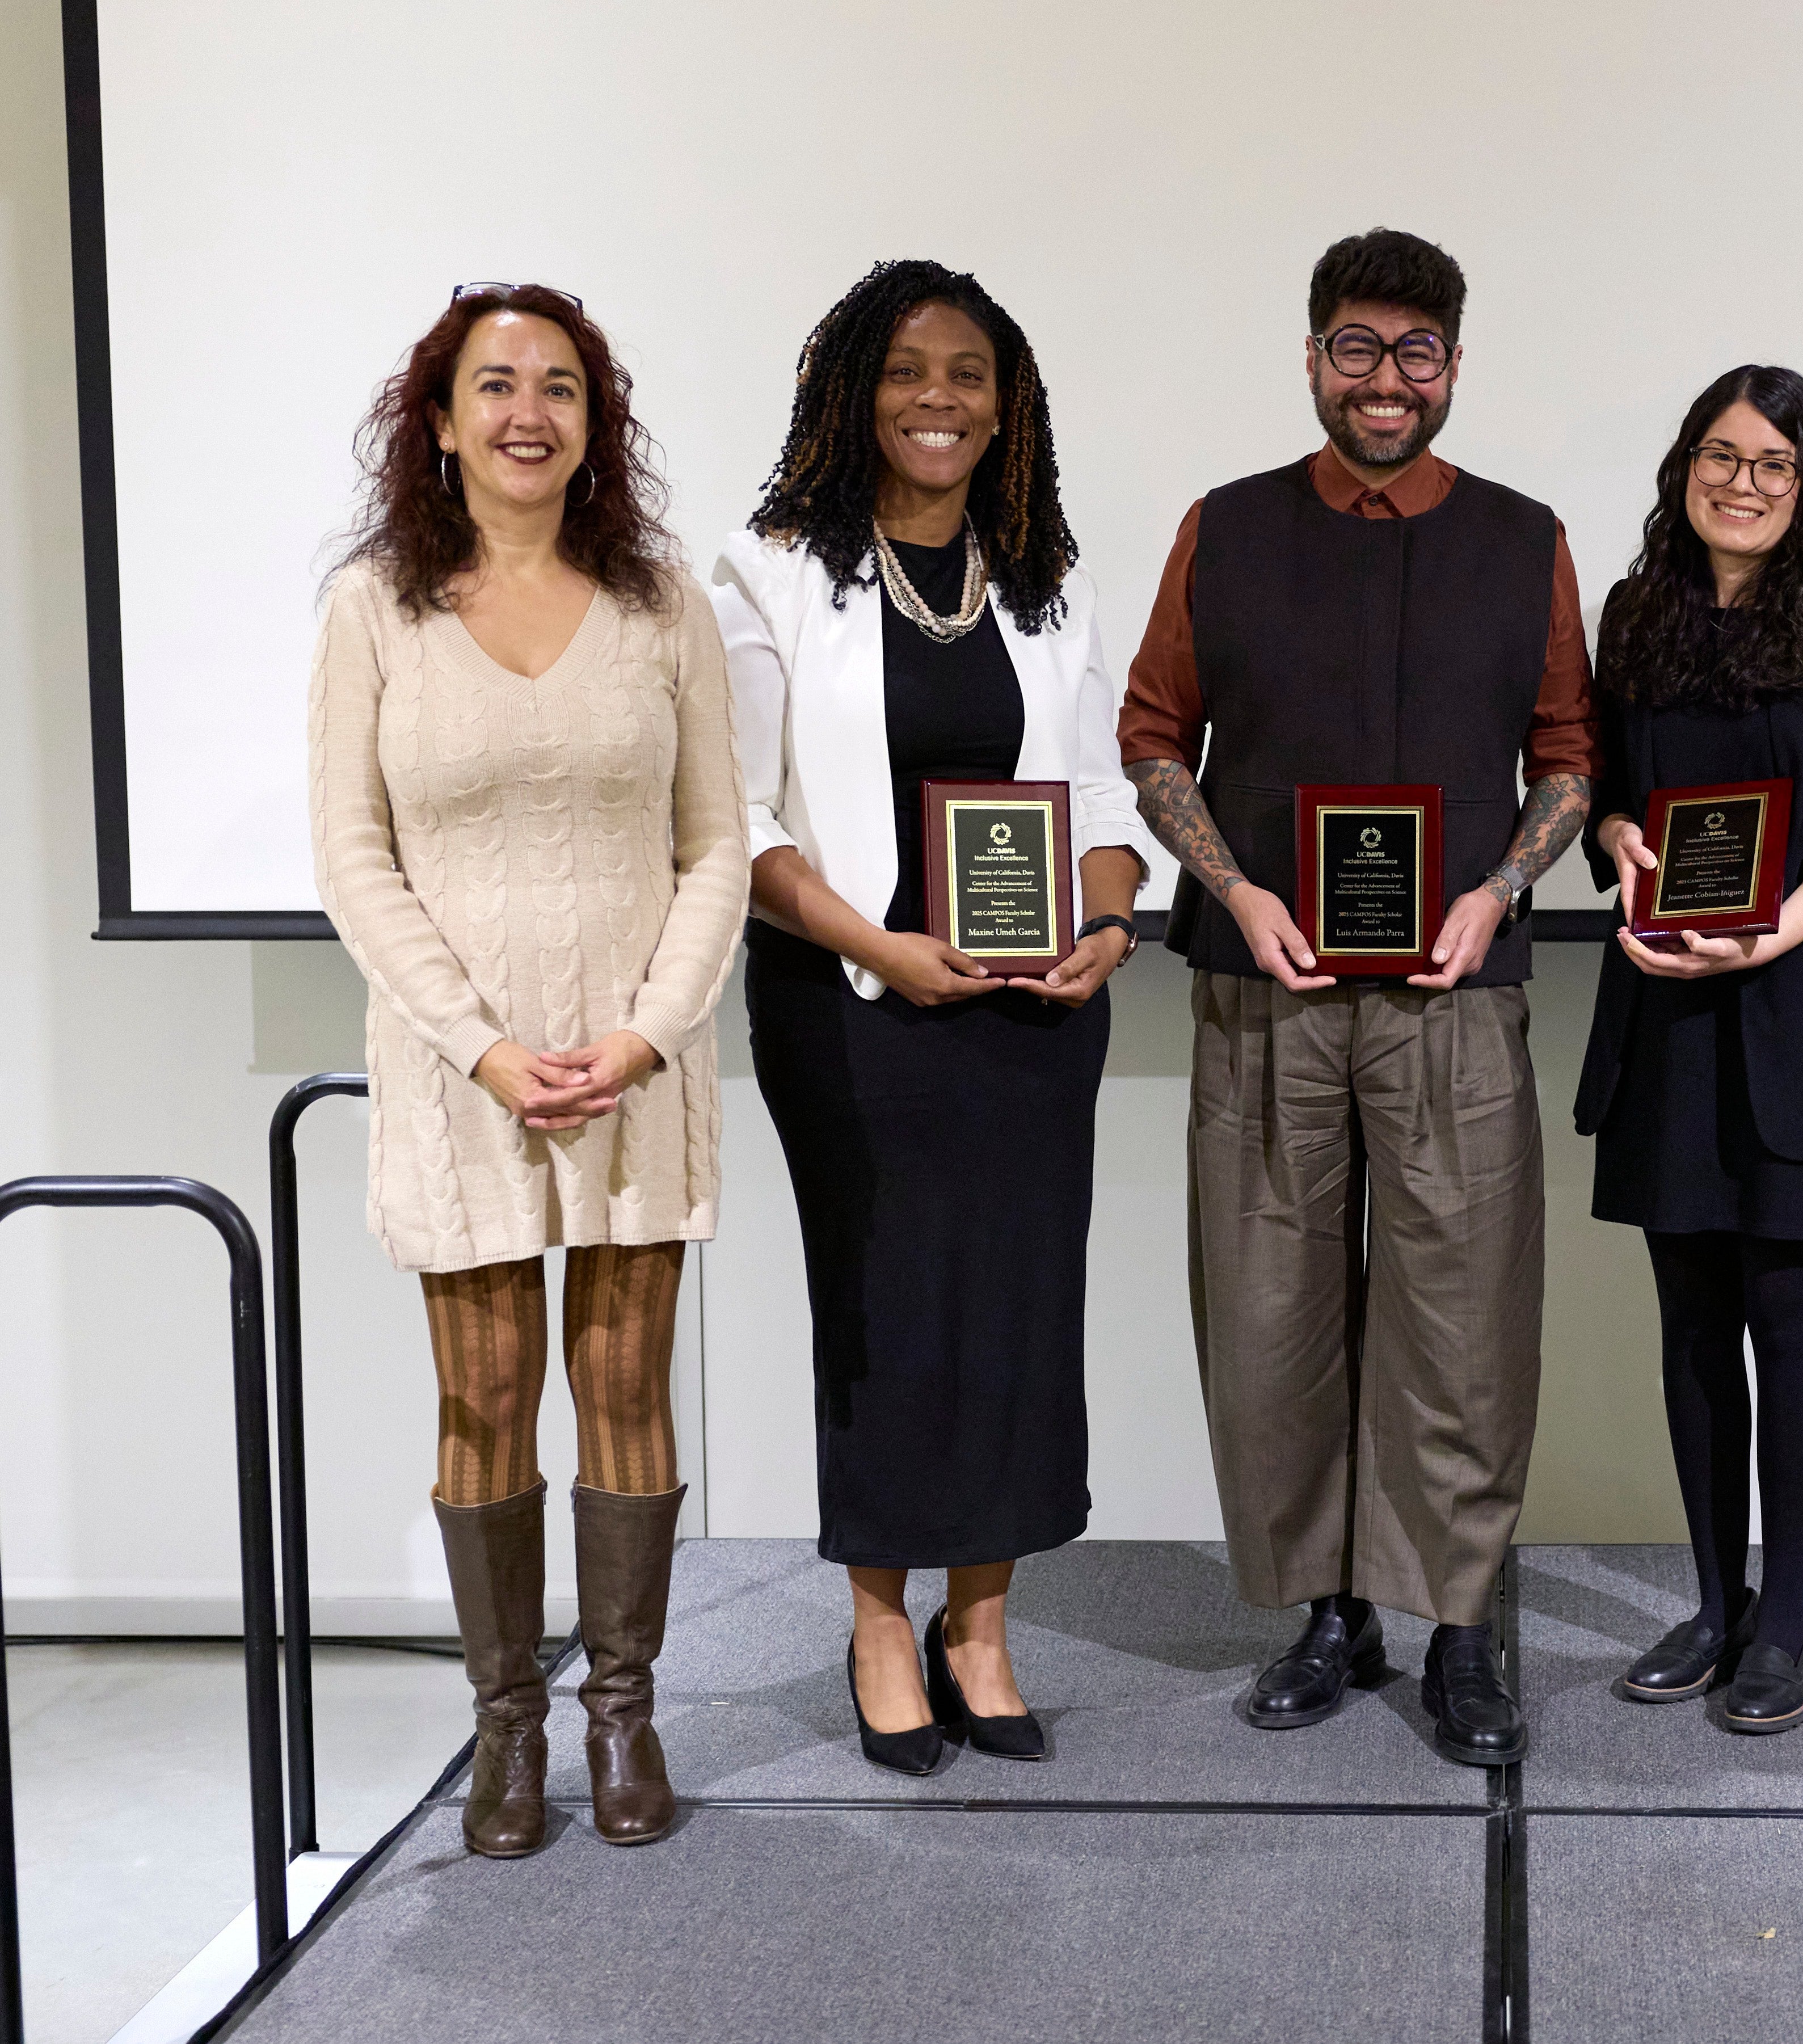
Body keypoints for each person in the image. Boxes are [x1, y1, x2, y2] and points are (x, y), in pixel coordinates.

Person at [1119, 227, 1595, 1767]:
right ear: (1313, 356)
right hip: (1268, 986)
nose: (1384, 380)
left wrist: (1497, 888)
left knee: (1461, 1314)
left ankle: (1458, 1621)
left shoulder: (1525, 540)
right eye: (1355, 348)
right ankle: (1330, 1606)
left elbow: (1569, 760)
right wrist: (1235, 889)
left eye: (1415, 353)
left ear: (1454, 366)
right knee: (1272, 1309)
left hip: (1456, 990)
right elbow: (1150, 738)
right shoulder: (1228, 528)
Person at [310, 283, 748, 1856]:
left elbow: (716, 842)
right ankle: (507, 1733)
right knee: (484, 1390)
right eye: (494, 384)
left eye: (560, 385)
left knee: (624, 1380)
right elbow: (355, 859)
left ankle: (622, 1711)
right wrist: (487, 1047)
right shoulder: (376, 607)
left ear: (593, 422)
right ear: (438, 418)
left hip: (637, 1055)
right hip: (459, 1069)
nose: (527, 412)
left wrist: (642, 1033)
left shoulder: (659, 601)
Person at [715, 260, 1154, 1773]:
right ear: (853, 390)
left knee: (1022, 1309)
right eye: (908, 370)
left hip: (1032, 1011)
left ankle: (983, 1621)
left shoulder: (1042, 572)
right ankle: (882, 1623)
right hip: (853, 1005)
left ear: (1005, 401)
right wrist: (882, 949)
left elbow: (1096, 787)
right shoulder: (769, 567)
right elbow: (739, 821)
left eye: (969, 374)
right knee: (887, 1310)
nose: (939, 400)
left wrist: (1104, 918)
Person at [1577, 367, 1803, 1733]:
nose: (1743, 482)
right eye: (1720, 456)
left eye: (1774, 463)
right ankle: (1713, 1600)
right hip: (1666, 1008)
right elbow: (1606, 790)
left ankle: (1785, 1614)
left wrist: (1770, 934)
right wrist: (1618, 845)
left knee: (1790, 1317)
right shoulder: (1636, 613)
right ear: (1684, 470)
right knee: (1689, 1324)